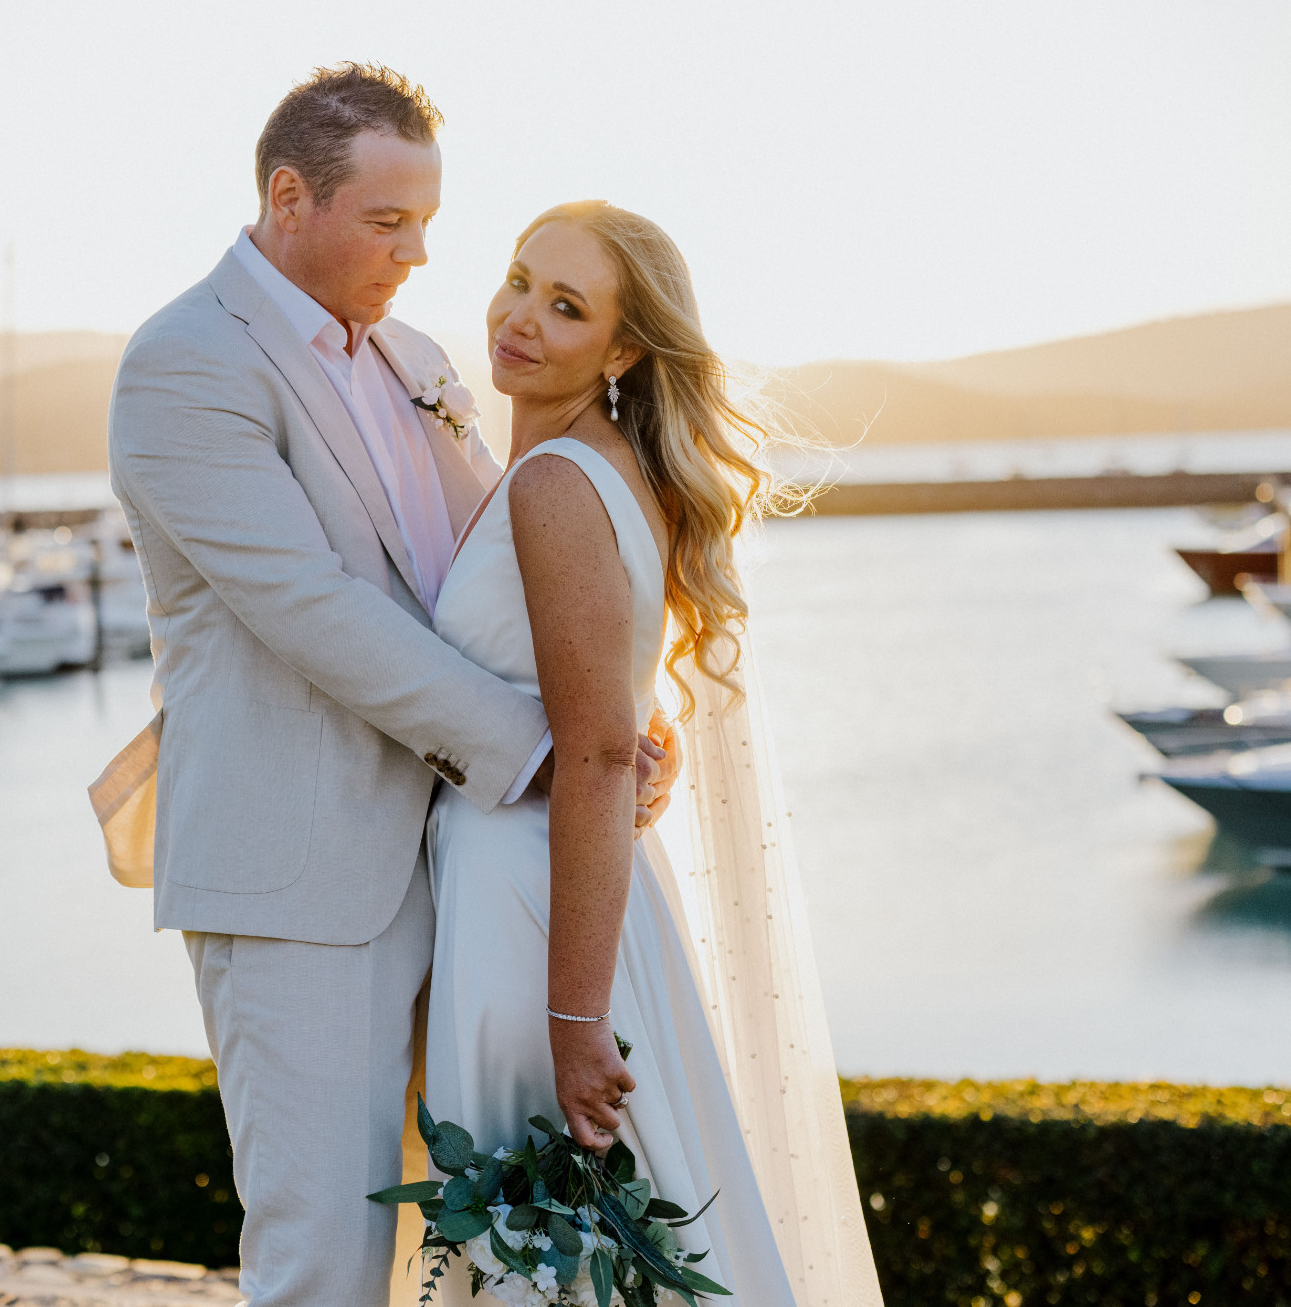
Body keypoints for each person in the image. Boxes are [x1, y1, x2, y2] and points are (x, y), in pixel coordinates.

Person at [96, 65, 677, 1307]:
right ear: (287, 197)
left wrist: (618, 720)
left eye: (426, 222)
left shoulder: (416, 357)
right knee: (325, 1259)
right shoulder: (185, 362)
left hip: (463, 867)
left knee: (464, 1263)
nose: (417, 254)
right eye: (386, 221)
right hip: (299, 878)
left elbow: (493, 583)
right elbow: (309, 604)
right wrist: (543, 749)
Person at [421, 202, 883, 1303]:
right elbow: (613, 708)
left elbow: (593, 754)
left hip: (533, 912)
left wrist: (574, 1021)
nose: (519, 317)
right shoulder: (615, 468)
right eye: (519, 280)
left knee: (560, 1253)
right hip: (577, 893)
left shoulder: (555, 481)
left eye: (564, 307)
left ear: (622, 350)